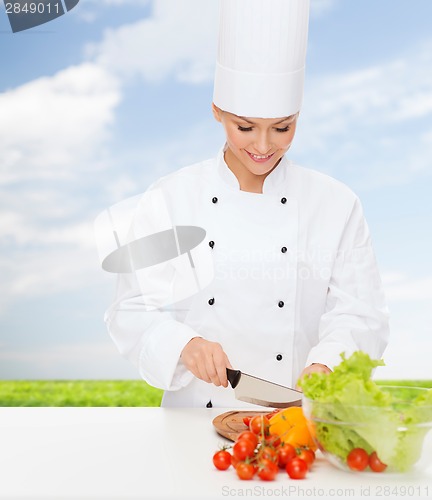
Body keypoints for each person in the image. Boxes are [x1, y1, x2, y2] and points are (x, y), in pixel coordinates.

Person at [100, 0, 389, 408]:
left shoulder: (337, 204)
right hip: (192, 422)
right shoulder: (171, 198)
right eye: (245, 127)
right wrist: (185, 344)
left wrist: (328, 363)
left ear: (298, 115)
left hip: (295, 422)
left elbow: (362, 314)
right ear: (217, 111)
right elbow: (129, 309)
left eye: (283, 127)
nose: (264, 146)